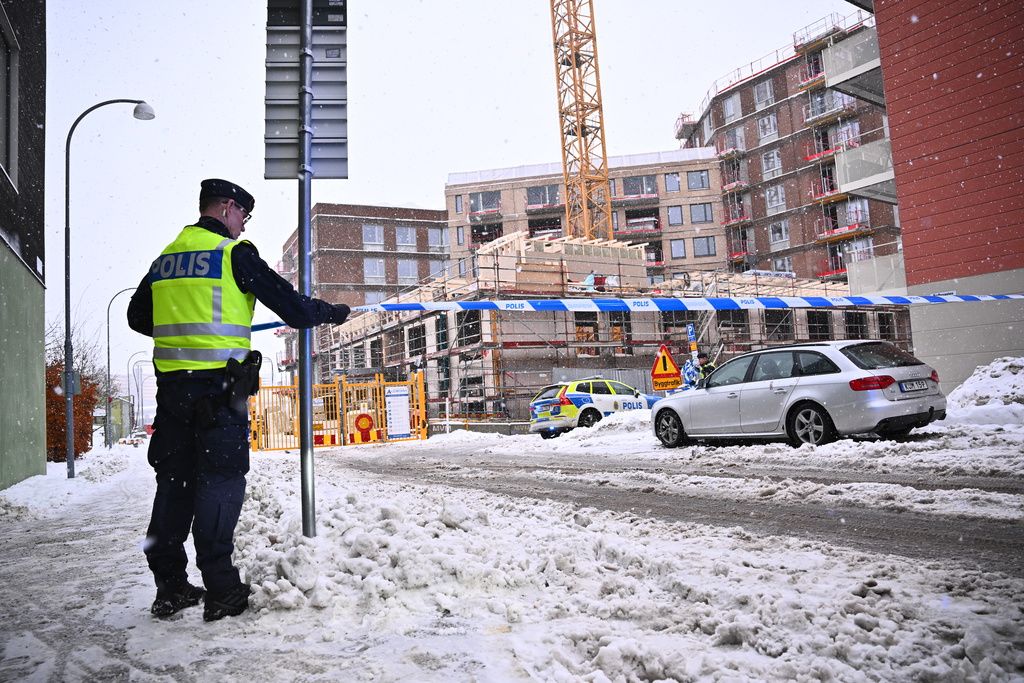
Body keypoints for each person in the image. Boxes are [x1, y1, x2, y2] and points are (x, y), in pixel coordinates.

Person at [127, 179, 351, 622]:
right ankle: (222, 590)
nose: (243, 225)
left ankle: (169, 587)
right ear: (228, 208)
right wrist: (332, 312)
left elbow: (137, 317)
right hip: (219, 393)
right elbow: (294, 309)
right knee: (220, 482)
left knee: (174, 485)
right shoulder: (234, 254)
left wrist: (183, 329)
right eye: (243, 216)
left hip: (173, 395)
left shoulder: (166, 258)